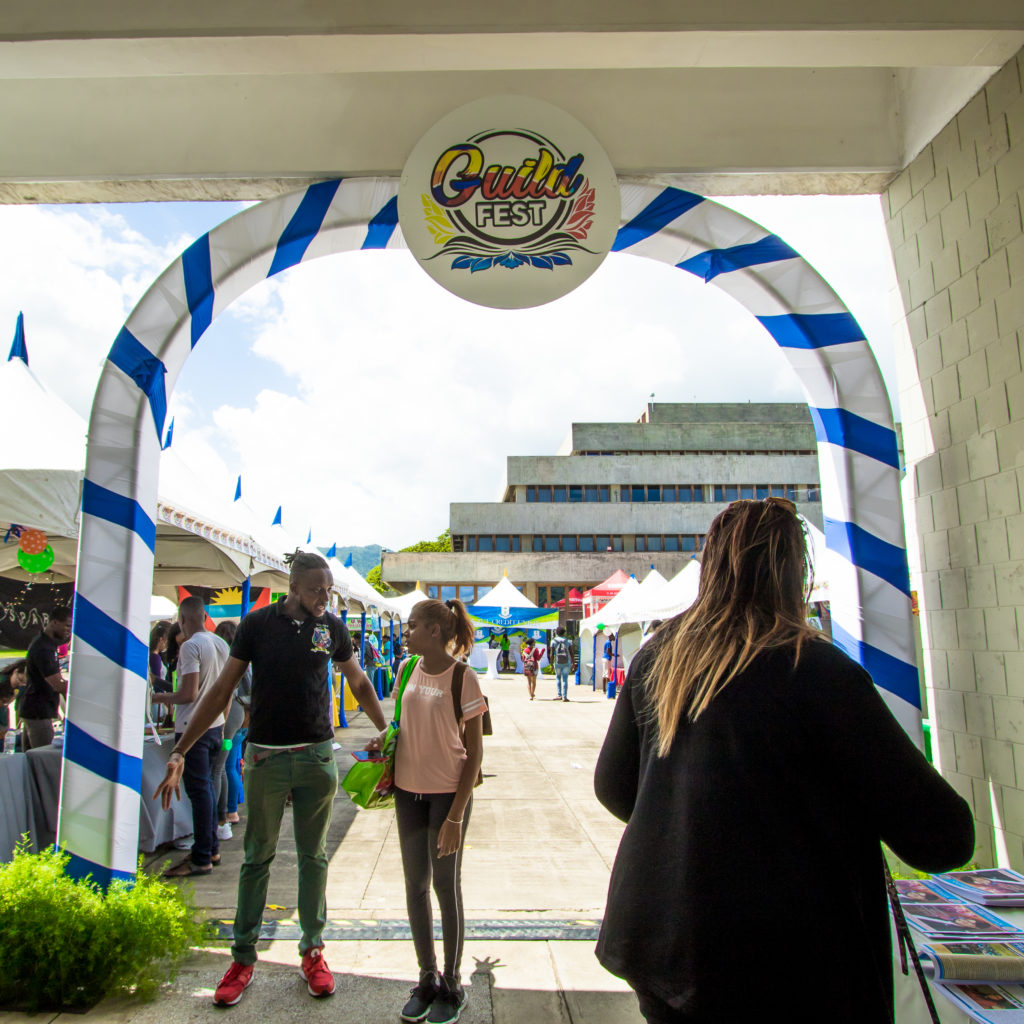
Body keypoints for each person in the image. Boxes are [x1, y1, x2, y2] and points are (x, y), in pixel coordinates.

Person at [594, 497, 974, 1024]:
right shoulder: (818, 672)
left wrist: (700, 827)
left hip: (667, 943)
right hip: (792, 964)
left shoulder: (660, 659)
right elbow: (943, 836)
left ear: (711, 567)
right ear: (795, 572)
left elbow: (613, 788)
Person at [153, 550, 388, 1008]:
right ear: (293, 587)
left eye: (329, 590)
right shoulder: (257, 626)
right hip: (265, 758)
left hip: (317, 757)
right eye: (317, 590)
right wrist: (180, 749)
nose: (325, 598)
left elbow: (359, 682)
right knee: (256, 858)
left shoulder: (330, 628)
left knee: (313, 858)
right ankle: (242, 958)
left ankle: (313, 951)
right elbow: (221, 690)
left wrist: (387, 731)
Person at [367, 598, 485, 1024]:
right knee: (415, 885)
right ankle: (427, 977)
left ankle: (452, 985)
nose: (407, 632)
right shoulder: (405, 670)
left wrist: (455, 816)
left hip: (447, 797)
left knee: (444, 887)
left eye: (413, 625)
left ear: (435, 631)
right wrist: (383, 739)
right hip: (407, 793)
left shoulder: (463, 677)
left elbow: (475, 754)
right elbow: (399, 723)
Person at [152, 596, 230, 877]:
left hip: (192, 727)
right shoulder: (221, 644)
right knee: (206, 788)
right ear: (205, 616)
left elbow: (189, 694)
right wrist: (223, 724)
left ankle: (201, 856)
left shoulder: (191, 646)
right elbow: (226, 691)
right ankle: (211, 849)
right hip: (216, 725)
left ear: (182, 619)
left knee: (199, 793)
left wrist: (157, 697)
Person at [19, 606, 72, 750]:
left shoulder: (47, 644)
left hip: (37, 709)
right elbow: (57, 684)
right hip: (38, 711)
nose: (69, 630)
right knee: (42, 754)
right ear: (54, 622)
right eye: (67, 626)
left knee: (31, 755)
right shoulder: (43, 648)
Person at [0, 659, 25, 749]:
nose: (20, 684)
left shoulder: (13, 687)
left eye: (23, 683)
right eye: (19, 680)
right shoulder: (3, 681)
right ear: (15, 671)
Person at [550, 627, 574, 701]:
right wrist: (573, 662)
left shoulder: (553, 641)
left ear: (556, 633)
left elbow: (551, 654)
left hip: (557, 662)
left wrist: (551, 664)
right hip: (566, 661)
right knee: (565, 679)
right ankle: (565, 696)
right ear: (564, 633)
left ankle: (559, 695)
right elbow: (571, 653)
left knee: (558, 678)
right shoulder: (568, 641)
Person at [521, 636, 540, 700]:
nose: (535, 643)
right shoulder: (536, 650)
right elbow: (538, 658)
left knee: (529, 681)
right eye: (534, 642)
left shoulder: (525, 650)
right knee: (533, 681)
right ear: (532, 643)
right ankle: (532, 693)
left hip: (527, 667)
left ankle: (530, 696)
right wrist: (542, 653)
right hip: (535, 666)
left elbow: (523, 659)